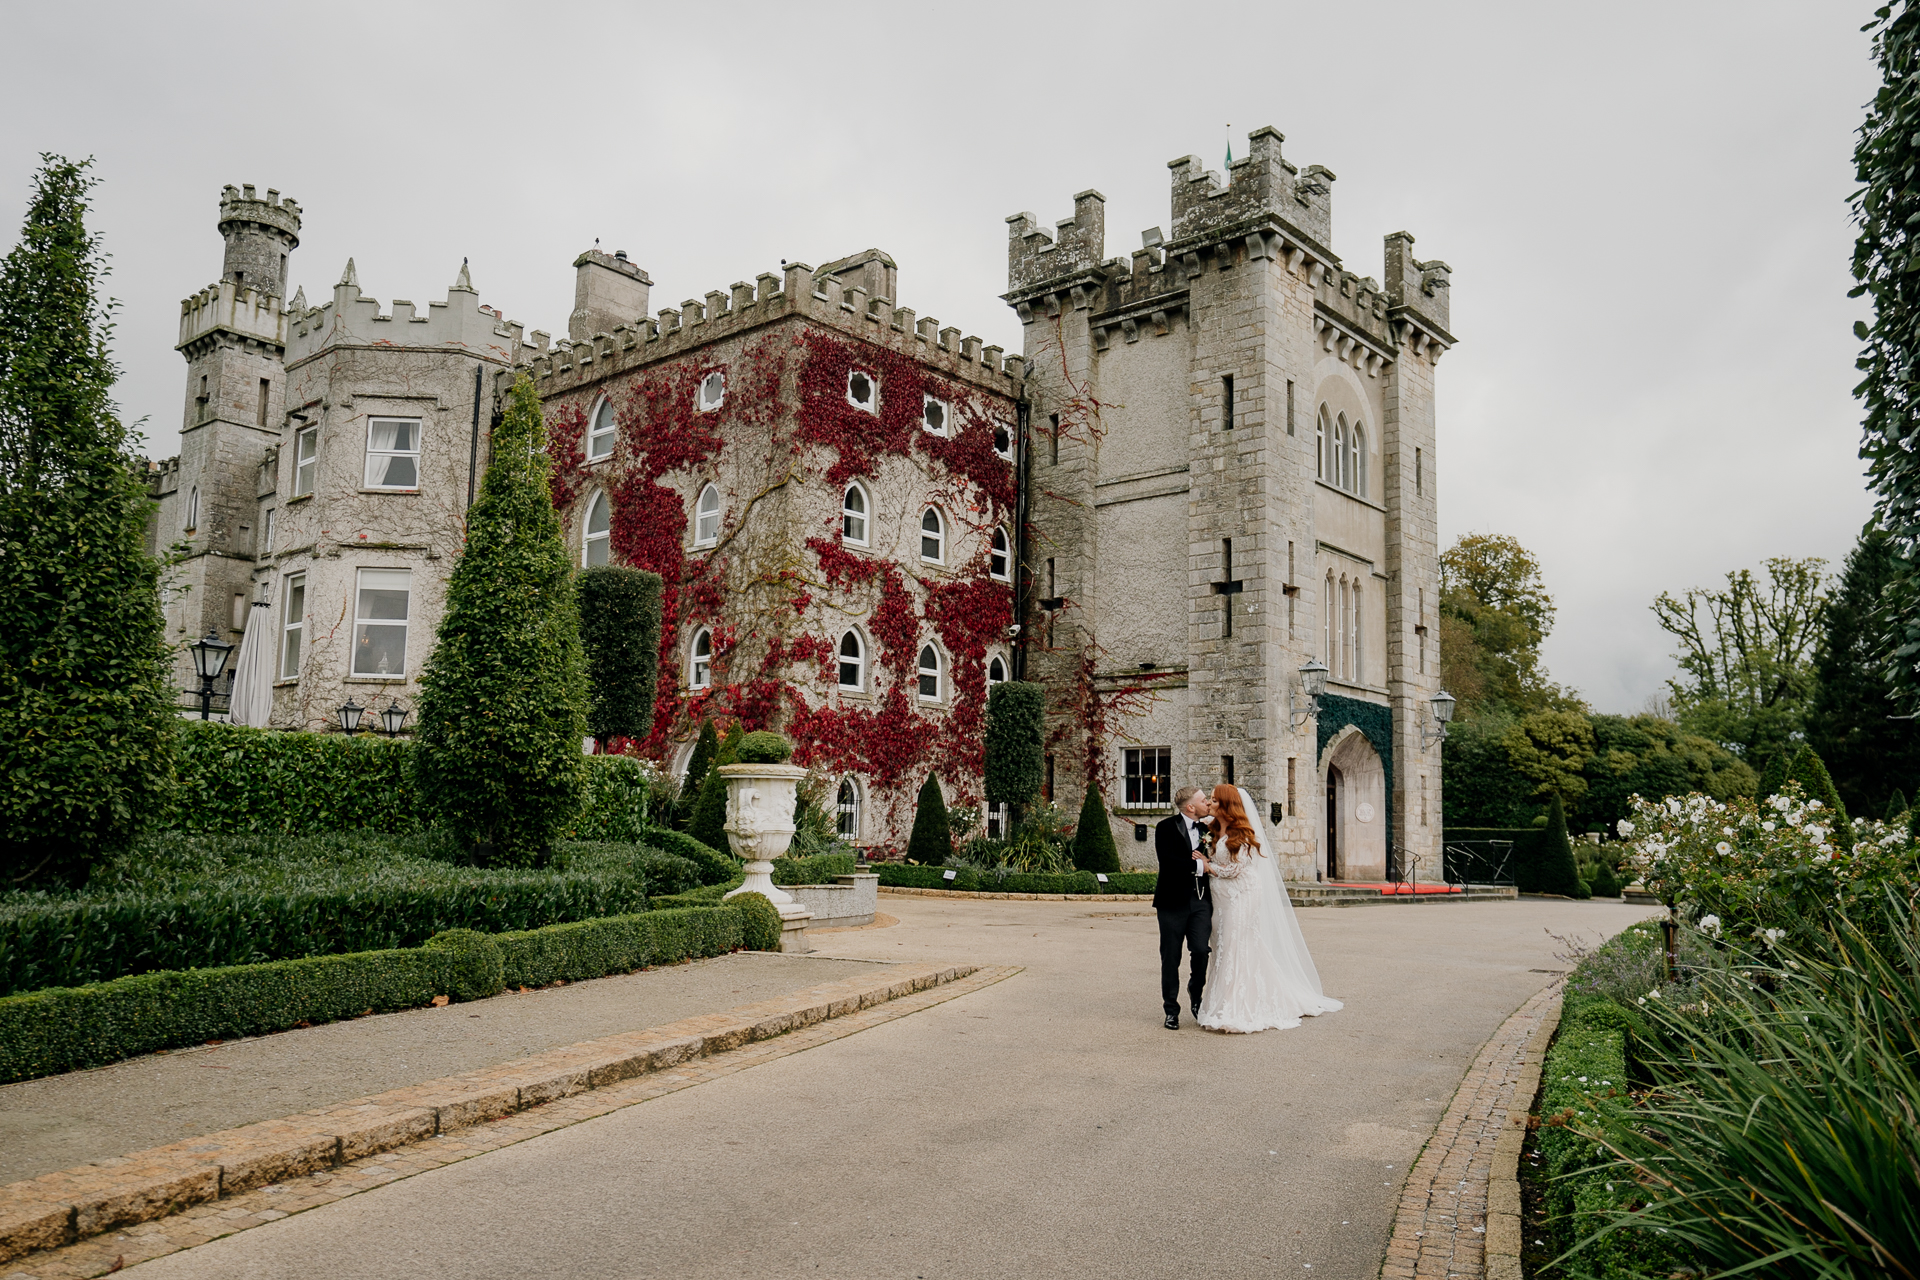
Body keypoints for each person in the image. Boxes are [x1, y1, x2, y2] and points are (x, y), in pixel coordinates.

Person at [1195, 783, 1343, 1033]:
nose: (1210, 803)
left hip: (1241, 893)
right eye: (1209, 799)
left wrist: (1208, 866)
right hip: (1221, 897)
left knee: (1234, 945)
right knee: (1224, 945)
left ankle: (1236, 1006)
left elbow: (1235, 869)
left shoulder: (1240, 832)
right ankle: (1226, 1000)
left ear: (1227, 805)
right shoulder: (1212, 828)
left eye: (1214, 800)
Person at [1152, 785, 1218, 1030]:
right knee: (1171, 956)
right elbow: (1169, 862)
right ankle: (1171, 1009)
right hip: (1171, 903)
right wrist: (1202, 866)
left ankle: (1195, 990)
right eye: (1203, 801)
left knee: (1201, 950)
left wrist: (1208, 861)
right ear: (1190, 807)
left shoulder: (1207, 829)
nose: (1208, 804)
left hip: (1200, 901)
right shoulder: (1166, 827)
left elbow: (1212, 855)